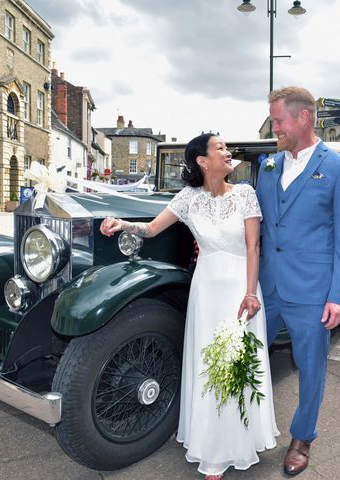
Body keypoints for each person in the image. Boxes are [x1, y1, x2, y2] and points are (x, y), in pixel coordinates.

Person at [100, 133, 279, 480]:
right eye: (220, 148)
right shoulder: (188, 199)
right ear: (202, 160)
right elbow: (151, 229)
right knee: (209, 366)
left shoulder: (245, 194)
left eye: (227, 148)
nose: (228, 152)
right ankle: (212, 448)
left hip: (241, 290)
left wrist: (251, 293)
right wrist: (121, 224)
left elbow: (254, 246)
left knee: (235, 363)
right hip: (207, 290)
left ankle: (238, 440)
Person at [256, 86, 340, 476]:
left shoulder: (338, 168)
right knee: (250, 357)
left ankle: (302, 438)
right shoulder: (267, 165)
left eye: (278, 120)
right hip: (267, 288)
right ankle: (247, 426)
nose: (274, 127)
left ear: (304, 118)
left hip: (313, 291)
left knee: (311, 367)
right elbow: (256, 221)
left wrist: (338, 296)